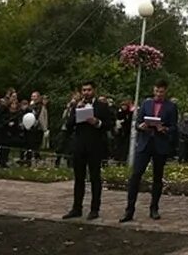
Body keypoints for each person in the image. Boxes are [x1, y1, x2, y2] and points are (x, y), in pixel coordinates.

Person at [121, 79, 177, 222]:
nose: (158, 94)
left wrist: (163, 129)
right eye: (156, 91)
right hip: (145, 144)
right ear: (153, 90)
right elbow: (137, 123)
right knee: (136, 175)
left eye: (161, 91)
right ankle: (129, 210)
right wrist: (141, 126)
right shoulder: (146, 104)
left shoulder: (171, 107)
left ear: (165, 92)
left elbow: (174, 128)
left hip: (160, 144)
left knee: (157, 177)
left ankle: (154, 208)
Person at [62, 80, 114, 220]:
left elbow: (110, 124)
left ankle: (94, 209)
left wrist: (97, 122)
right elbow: (68, 125)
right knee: (79, 178)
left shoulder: (102, 106)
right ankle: (76, 208)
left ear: (94, 90)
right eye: (84, 90)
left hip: (95, 146)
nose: (86, 93)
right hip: (79, 146)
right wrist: (76, 110)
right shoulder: (78, 105)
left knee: (95, 178)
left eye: (89, 90)